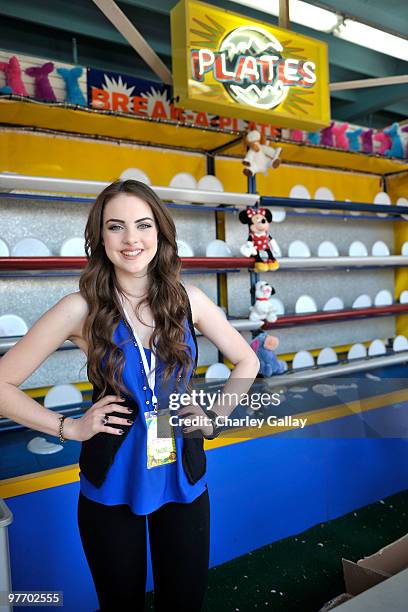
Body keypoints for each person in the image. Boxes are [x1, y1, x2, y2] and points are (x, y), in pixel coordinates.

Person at [0, 180, 260, 611]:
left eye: (142, 224)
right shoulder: (79, 308)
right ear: (100, 238)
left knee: (184, 603)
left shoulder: (188, 300)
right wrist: (70, 427)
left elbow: (246, 362)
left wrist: (214, 417)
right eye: (115, 227)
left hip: (182, 479)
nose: (131, 239)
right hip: (112, 483)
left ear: (159, 232)